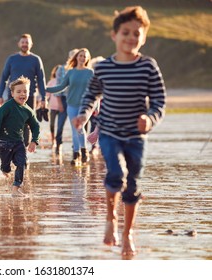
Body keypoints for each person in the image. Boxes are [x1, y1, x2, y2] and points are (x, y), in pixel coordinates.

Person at [73, 6, 166, 256]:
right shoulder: (103, 67)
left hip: (136, 137)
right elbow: (91, 94)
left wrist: (150, 117)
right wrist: (84, 114)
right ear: (114, 35)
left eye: (137, 33)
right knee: (115, 173)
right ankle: (110, 219)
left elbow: (159, 100)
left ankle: (127, 234)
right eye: (126, 32)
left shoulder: (148, 66)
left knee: (133, 183)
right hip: (111, 133)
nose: (131, 38)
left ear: (143, 37)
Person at [0, 76, 40, 197]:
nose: (22, 94)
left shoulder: (28, 110)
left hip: (18, 143)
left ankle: (16, 188)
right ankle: (4, 169)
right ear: (12, 93)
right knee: (6, 167)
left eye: (25, 91)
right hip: (3, 142)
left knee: (21, 163)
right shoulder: (7, 106)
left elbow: (35, 126)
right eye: (19, 91)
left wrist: (34, 141)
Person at [0, 33, 46, 146]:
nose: (25, 44)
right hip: (12, 95)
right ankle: (12, 147)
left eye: (27, 42)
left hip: (30, 96)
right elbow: (4, 78)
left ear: (31, 44)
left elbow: (41, 80)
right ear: (19, 44)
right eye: (23, 42)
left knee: (27, 122)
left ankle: (23, 150)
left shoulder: (36, 59)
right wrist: (0, 95)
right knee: (12, 122)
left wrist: (44, 98)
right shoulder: (12, 59)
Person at [46, 48, 94, 165]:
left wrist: (96, 106)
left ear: (87, 59)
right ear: (76, 57)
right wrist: (46, 89)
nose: (82, 58)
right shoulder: (71, 72)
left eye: (84, 56)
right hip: (71, 104)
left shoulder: (90, 72)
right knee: (74, 130)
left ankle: (84, 151)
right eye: (80, 56)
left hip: (85, 106)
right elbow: (61, 87)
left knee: (80, 128)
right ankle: (76, 154)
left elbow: (95, 91)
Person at [53, 48, 79, 154]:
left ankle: (77, 147)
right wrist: (59, 103)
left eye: (76, 55)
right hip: (64, 99)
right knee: (60, 124)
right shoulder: (61, 69)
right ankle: (58, 144)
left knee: (78, 126)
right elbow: (58, 86)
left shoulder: (82, 70)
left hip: (77, 100)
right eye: (72, 55)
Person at [45, 64, 61, 147]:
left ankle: (59, 141)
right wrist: (44, 103)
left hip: (62, 107)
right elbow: (47, 94)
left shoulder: (63, 81)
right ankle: (52, 140)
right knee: (52, 124)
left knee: (59, 125)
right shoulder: (51, 82)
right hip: (53, 107)